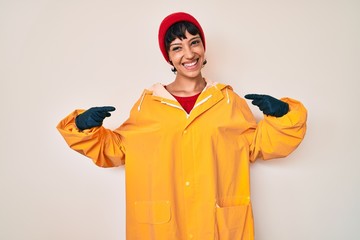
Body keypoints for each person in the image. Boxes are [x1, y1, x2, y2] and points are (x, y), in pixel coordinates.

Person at [57, 12, 307, 240]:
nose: (188, 54)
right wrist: (82, 126)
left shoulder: (228, 101)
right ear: (169, 57)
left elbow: (259, 145)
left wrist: (283, 116)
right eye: (177, 47)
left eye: (194, 42)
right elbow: (118, 150)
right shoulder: (149, 105)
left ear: (203, 47)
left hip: (217, 228)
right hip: (163, 228)